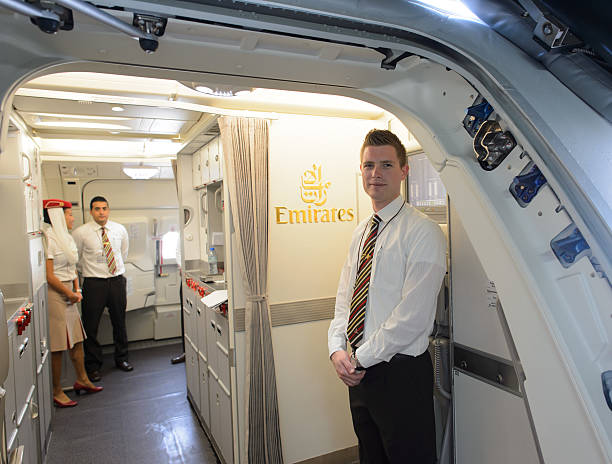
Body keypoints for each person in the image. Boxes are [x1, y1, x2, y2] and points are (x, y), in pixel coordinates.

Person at [328, 129, 446, 463]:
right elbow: (345, 298)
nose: (375, 173)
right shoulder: (362, 231)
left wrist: (359, 358)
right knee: (371, 457)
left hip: (400, 374)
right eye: (368, 165)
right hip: (360, 372)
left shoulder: (423, 232)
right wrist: (336, 349)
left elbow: (412, 319)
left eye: (386, 165)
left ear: (404, 170)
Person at [42, 199, 103, 408]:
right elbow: (49, 276)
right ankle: (57, 391)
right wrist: (69, 292)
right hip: (56, 293)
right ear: (57, 216)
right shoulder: (48, 239)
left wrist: (77, 290)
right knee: (58, 344)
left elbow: (73, 267)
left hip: (70, 291)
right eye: (68, 214)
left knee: (77, 339)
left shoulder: (65, 238)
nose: (72, 218)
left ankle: (82, 379)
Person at [72, 196, 133, 381]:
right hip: (94, 282)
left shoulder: (119, 229)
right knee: (91, 326)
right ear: (91, 211)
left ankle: (121, 359)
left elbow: (123, 253)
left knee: (119, 322)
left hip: (116, 280)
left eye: (104, 208)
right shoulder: (81, 233)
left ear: (108, 210)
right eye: (97, 209)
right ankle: (93, 366)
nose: (101, 212)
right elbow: (77, 259)